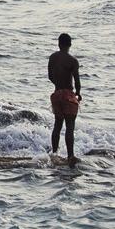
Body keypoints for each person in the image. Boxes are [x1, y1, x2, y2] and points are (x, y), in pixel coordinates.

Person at [48, 32, 82, 167]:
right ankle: (70, 156)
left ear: (58, 43)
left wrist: (58, 85)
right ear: (70, 45)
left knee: (57, 125)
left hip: (56, 94)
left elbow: (50, 76)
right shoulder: (73, 61)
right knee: (70, 126)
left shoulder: (52, 57)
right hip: (68, 95)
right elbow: (77, 82)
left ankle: (54, 153)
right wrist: (78, 93)